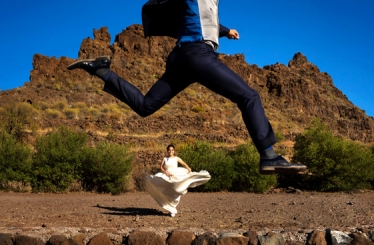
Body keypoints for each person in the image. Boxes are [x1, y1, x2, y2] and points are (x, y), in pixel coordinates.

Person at [67, 0, 306, 175]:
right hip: (197, 55)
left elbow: (206, 21)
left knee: (145, 106)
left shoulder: (208, 5)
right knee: (249, 96)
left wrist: (226, 31)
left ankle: (102, 71)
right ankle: (269, 156)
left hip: (181, 59)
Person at [143, 144, 210, 217]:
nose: (170, 151)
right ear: (167, 151)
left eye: (172, 150)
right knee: (167, 192)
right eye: (169, 150)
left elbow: (184, 164)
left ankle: (173, 208)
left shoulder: (176, 158)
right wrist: (165, 172)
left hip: (176, 175)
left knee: (176, 189)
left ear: (174, 151)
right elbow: (161, 167)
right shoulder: (165, 158)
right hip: (167, 175)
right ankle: (171, 209)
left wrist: (188, 168)